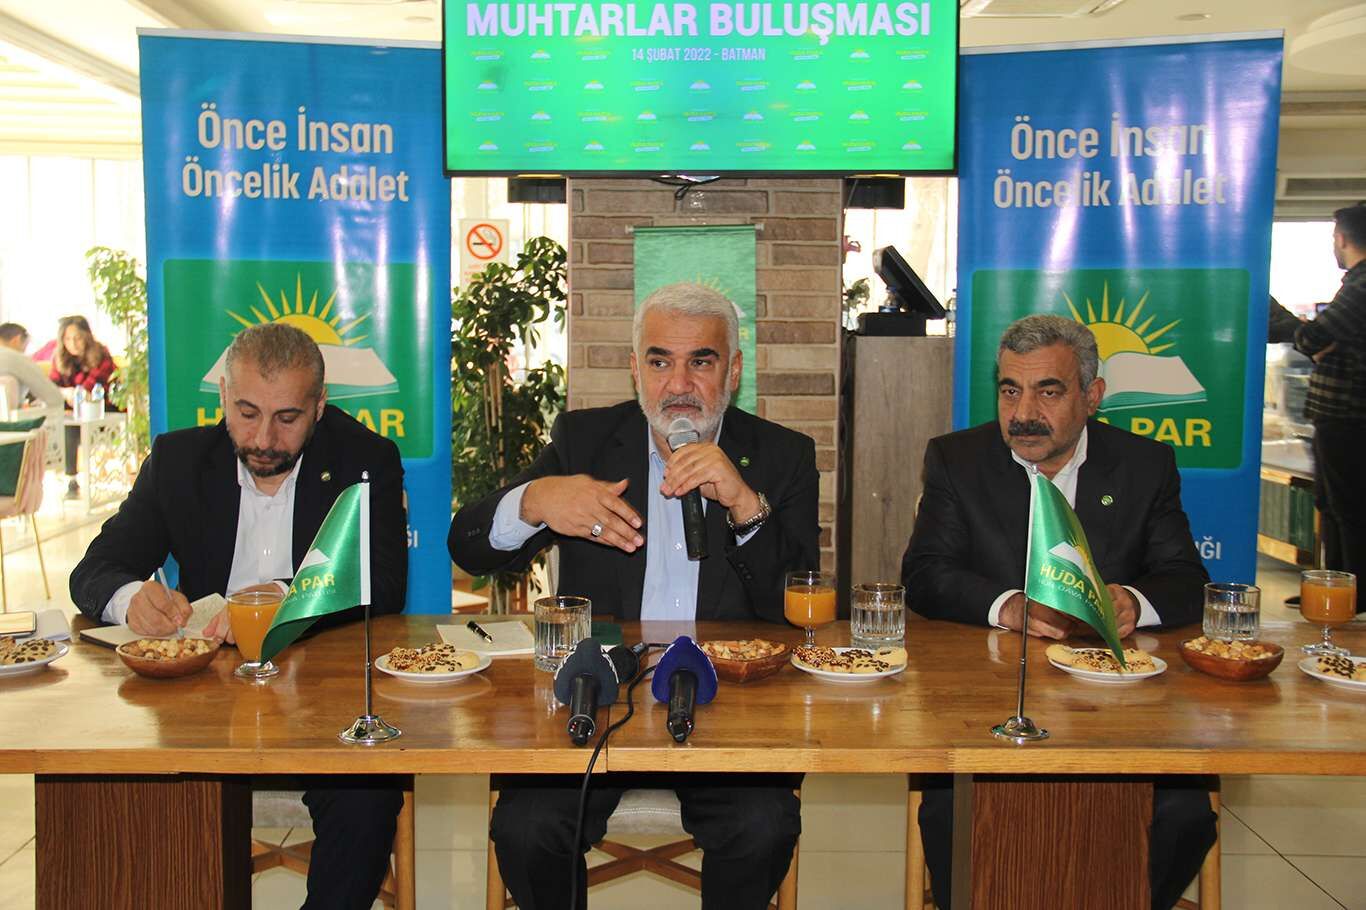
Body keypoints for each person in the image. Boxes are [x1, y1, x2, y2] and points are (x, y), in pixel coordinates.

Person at [450, 282, 819, 910]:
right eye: (659, 361)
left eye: (701, 361)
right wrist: (535, 500)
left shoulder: (782, 455)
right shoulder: (584, 441)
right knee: (527, 828)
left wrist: (744, 505)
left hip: (730, 707)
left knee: (763, 828)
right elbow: (468, 548)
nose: (679, 384)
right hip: (596, 694)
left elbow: (797, 610)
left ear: (733, 371)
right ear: (635, 369)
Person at [70, 322, 408, 910]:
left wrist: (283, 597)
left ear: (320, 405)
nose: (264, 440)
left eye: (287, 418)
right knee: (121, 786)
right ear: (223, 395)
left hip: (320, 693)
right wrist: (130, 598)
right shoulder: (179, 460)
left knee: (367, 796)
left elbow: (383, 585)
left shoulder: (364, 459)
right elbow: (95, 570)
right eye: (246, 413)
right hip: (202, 695)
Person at [901, 314, 1215, 910]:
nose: (1023, 413)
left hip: (1117, 705)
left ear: (1092, 397)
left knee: (1183, 813)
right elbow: (925, 575)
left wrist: (1132, 602)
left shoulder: (1145, 464)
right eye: (1009, 390)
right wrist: (1010, 607)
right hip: (988, 701)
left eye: (1048, 392)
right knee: (952, 811)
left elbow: (1185, 580)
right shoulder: (956, 459)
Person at [1293, 202, 1366, 595]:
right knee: (1332, 505)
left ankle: (1351, 596)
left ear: (1342, 239)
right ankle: (1333, 589)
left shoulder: (1360, 286)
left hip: (1347, 418)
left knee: (1348, 508)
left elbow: (1311, 337)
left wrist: (1313, 339)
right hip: (1341, 418)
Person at [49, 315, 117, 499]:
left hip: (102, 410)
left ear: (86, 335)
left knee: (72, 424)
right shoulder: (59, 358)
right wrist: (66, 392)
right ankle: (71, 478)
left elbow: (93, 387)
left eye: (77, 337)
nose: (73, 343)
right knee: (66, 424)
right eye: (68, 339)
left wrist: (75, 393)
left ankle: (81, 479)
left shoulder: (101, 354)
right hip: (74, 413)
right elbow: (51, 388)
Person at [0, 323, 64, 411]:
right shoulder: (15, 358)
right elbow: (54, 398)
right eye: (25, 346)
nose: (24, 351)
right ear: (17, 340)